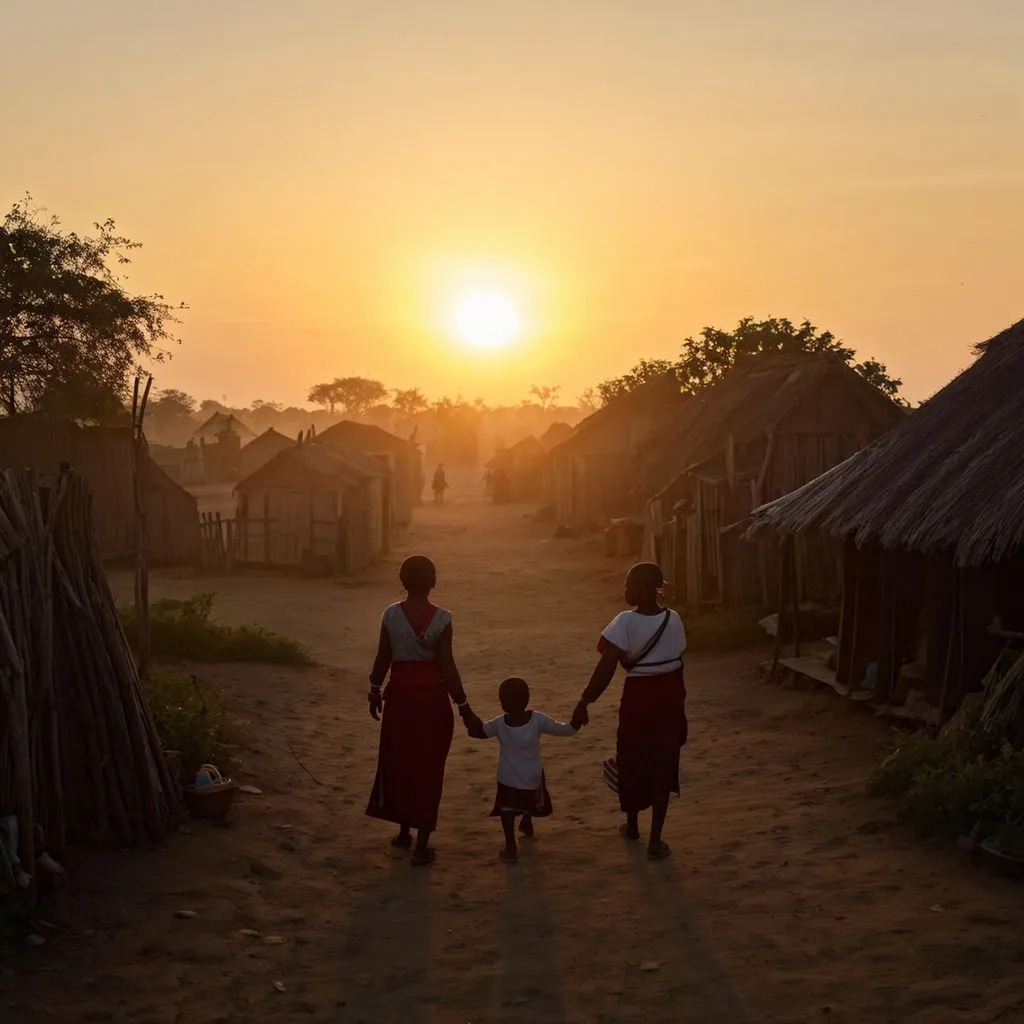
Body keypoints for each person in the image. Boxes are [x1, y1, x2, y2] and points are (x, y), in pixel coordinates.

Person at [572, 563, 687, 860]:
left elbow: (607, 666)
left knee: (632, 756)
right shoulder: (674, 619)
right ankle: (655, 840)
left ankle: (633, 826)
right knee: (664, 762)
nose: (625, 590)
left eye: (629, 585)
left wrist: (585, 700)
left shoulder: (624, 621)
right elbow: (678, 665)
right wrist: (681, 715)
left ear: (643, 590)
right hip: (671, 697)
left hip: (640, 696)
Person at [366, 555, 471, 865]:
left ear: (403, 581)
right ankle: (422, 846)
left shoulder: (390, 615)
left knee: (401, 764)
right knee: (428, 769)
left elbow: (383, 658)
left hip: (399, 700)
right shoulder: (443, 619)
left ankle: (403, 833)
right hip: (432, 701)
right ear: (433, 581)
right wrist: (463, 705)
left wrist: (374, 690)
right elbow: (447, 666)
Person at [463, 677, 581, 863]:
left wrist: (467, 716)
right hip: (532, 775)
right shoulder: (538, 719)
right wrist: (577, 719)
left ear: (502, 702)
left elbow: (479, 732)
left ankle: (510, 847)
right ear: (526, 699)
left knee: (507, 810)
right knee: (529, 799)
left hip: (508, 777)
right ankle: (527, 820)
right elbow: (566, 730)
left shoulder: (499, 723)